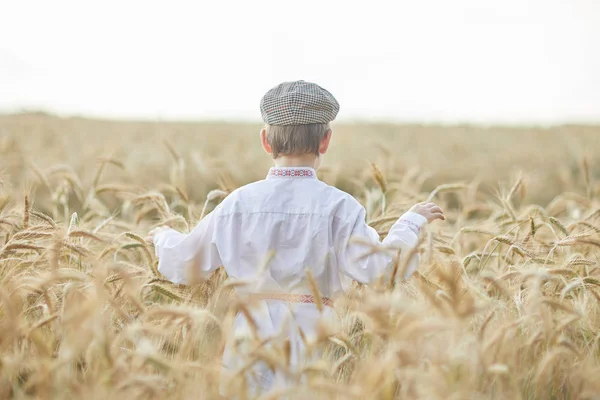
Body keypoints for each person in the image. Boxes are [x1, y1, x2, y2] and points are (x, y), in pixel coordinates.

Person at [147, 80, 445, 396]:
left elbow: (186, 263)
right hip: (316, 339)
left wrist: (163, 237)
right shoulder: (340, 207)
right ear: (326, 140)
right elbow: (381, 271)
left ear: (265, 140)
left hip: (248, 341)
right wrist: (409, 223)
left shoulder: (238, 203)